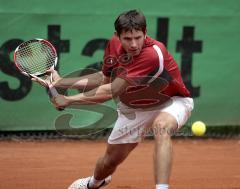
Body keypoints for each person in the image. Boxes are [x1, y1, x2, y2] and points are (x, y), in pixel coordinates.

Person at [33, 10, 194, 189]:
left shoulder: (152, 53)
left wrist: (69, 100)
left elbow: (112, 90)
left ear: (145, 32)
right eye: (127, 39)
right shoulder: (113, 45)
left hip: (172, 101)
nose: (133, 44)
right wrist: (62, 81)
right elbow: (104, 79)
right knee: (109, 162)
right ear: (117, 36)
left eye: (138, 37)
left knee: (161, 127)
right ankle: (94, 183)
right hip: (133, 108)